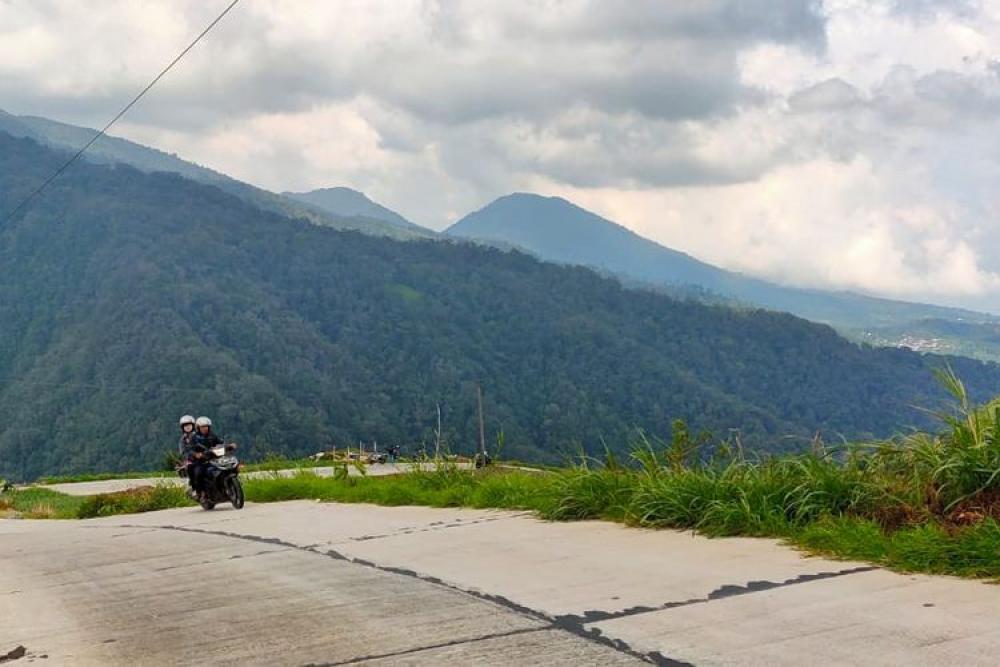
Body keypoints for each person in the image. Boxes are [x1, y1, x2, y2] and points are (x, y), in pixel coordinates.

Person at [189, 416, 223, 499]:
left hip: (213, 459)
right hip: (201, 461)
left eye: (206, 426)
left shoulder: (212, 435)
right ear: (198, 428)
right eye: (202, 427)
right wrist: (196, 454)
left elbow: (220, 442)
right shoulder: (194, 437)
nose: (205, 428)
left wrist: (229, 446)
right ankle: (200, 492)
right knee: (199, 473)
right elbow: (190, 449)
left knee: (224, 468)